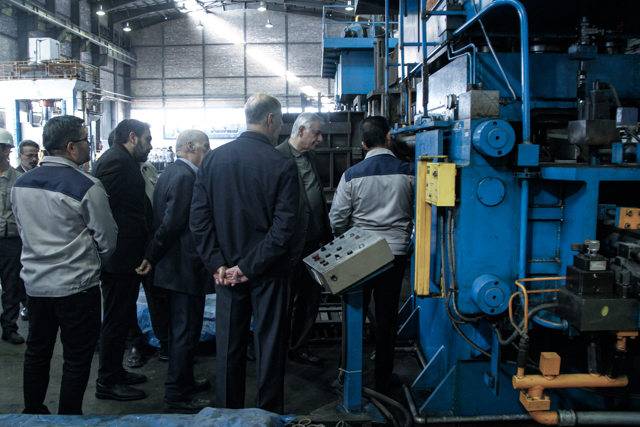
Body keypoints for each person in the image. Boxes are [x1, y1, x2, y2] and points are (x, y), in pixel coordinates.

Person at [190, 93, 300, 414]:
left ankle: (228, 414)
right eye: (280, 122)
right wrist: (248, 267)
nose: (280, 129)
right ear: (270, 119)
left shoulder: (213, 160)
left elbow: (199, 220)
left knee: (228, 346)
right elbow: (284, 229)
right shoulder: (282, 164)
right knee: (269, 346)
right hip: (268, 272)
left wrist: (218, 264)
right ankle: (267, 413)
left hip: (225, 274)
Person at [11, 115, 117, 414]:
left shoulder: (20, 184)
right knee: (76, 357)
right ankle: (69, 416)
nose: (89, 145)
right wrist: (90, 263)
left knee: (37, 351)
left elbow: (22, 229)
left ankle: (33, 412)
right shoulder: (86, 185)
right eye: (85, 140)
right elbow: (107, 238)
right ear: (71, 147)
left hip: (35, 285)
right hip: (76, 287)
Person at [328, 116, 415, 394]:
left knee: (354, 314)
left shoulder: (351, 175)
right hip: (394, 254)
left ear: (364, 144)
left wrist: (346, 239)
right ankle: (383, 379)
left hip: (360, 254)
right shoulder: (410, 171)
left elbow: (337, 218)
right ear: (389, 137)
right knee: (387, 319)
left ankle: (346, 376)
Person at [139, 129, 213, 413]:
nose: (208, 153)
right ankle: (176, 395)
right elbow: (171, 224)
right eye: (206, 147)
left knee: (183, 330)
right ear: (191, 147)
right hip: (183, 268)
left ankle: (185, 382)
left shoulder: (171, 172)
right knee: (185, 332)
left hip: (176, 267)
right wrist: (151, 255)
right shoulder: (184, 177)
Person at [92, 119, 153, 402]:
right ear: (132, 136)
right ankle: (107, 380)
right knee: (116, 319)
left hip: (126, 255)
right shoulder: (115, 162)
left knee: (123, 315)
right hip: (118, 257)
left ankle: (115, 372)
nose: (150, 146)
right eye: (147, 139)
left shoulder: (123, 160)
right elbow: (101, 210)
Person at [275, 113, 331, 366]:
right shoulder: (276, 156)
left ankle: (299, 347)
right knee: (283, 300)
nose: (320, 139)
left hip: (313, 241)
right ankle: (276, 349)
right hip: (287, 244)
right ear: (300, 131)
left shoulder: (311, 157)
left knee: (310, 298)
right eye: (316, 133)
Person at [0, 129, 25, 345]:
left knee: (11, 286)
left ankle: (9, 328)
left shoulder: (19, 180)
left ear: (7, 150)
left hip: (11, 241)